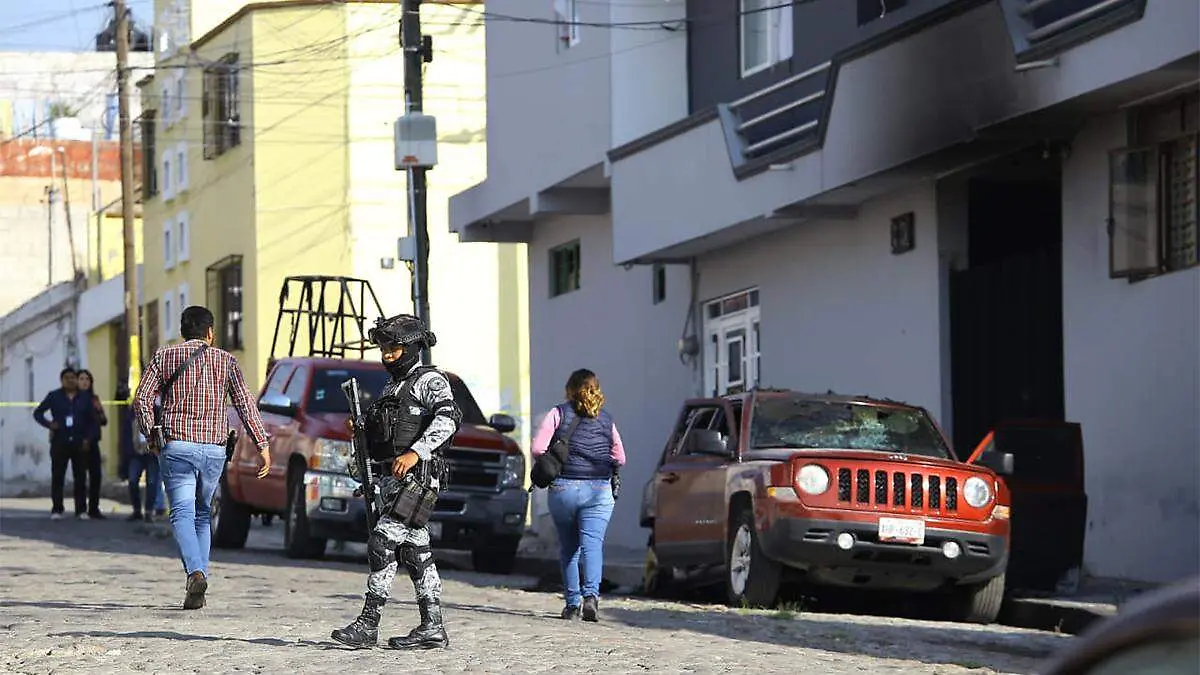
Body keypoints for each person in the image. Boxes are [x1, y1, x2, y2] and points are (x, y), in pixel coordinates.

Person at [332, 314, 461, 650]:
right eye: (384, 347)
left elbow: (449, 419)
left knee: (382, 542)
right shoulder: (392, 387)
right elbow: (386, 436)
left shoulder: (430, 381)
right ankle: (432, 627)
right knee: (417, 553)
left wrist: (416, 453)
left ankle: (368, 624)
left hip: (418, 480)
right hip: (393, 482)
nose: (387, 353)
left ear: (412, 347)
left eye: (394, 346)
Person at [132, 305, 271, 610]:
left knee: (181, 512)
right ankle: (200, 579)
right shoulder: (227, 360)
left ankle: (195, 573)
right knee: (202, 513)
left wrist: (151, 435)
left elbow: (141, 399)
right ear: (210, 332)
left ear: (183, 332)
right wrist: (262, 445)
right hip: (213, 450)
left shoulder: (164, 357)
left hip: (177, 446)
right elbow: (246, 403)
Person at [530, 368, 626, 622]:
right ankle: (591, 598)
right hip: (599, 490)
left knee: (569, 548)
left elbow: (538, 448)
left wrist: (556, 457)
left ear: (569, 390)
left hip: (563, 489)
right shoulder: (607, 419)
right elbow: (620, 457)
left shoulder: (558, 413)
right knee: (592, 546)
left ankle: (572, 604)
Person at [33, 368, 99, 520]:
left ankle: (81, 510)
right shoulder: (54, 396)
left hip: (79, 442)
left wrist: (88, 439)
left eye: (72, 378)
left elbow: (92, 421)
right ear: (62, 380)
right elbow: (38, 413)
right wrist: (49, 424)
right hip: (59, 442)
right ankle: (57, 509)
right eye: (66, 378)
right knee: (58, 476)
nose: (70, 380)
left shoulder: (85, 398)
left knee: (80, 477)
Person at [76, 369, 109, 519]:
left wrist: (99, 410)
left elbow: (103, 421)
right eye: (81, 379)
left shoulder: (93, 398)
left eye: (87, 379)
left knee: (96, 476)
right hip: (79, 442)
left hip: (93, 441)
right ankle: (80, 509)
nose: (84, 382)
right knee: (81, 477)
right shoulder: (73, 399)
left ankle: (93, 508)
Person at [125, 426, 161, 522]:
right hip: (136, 453)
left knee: (152, 482)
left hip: (152, 453)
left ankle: (149, 512)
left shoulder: (156, 413)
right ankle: (137, 511)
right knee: (132, 480)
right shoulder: (133, 415)